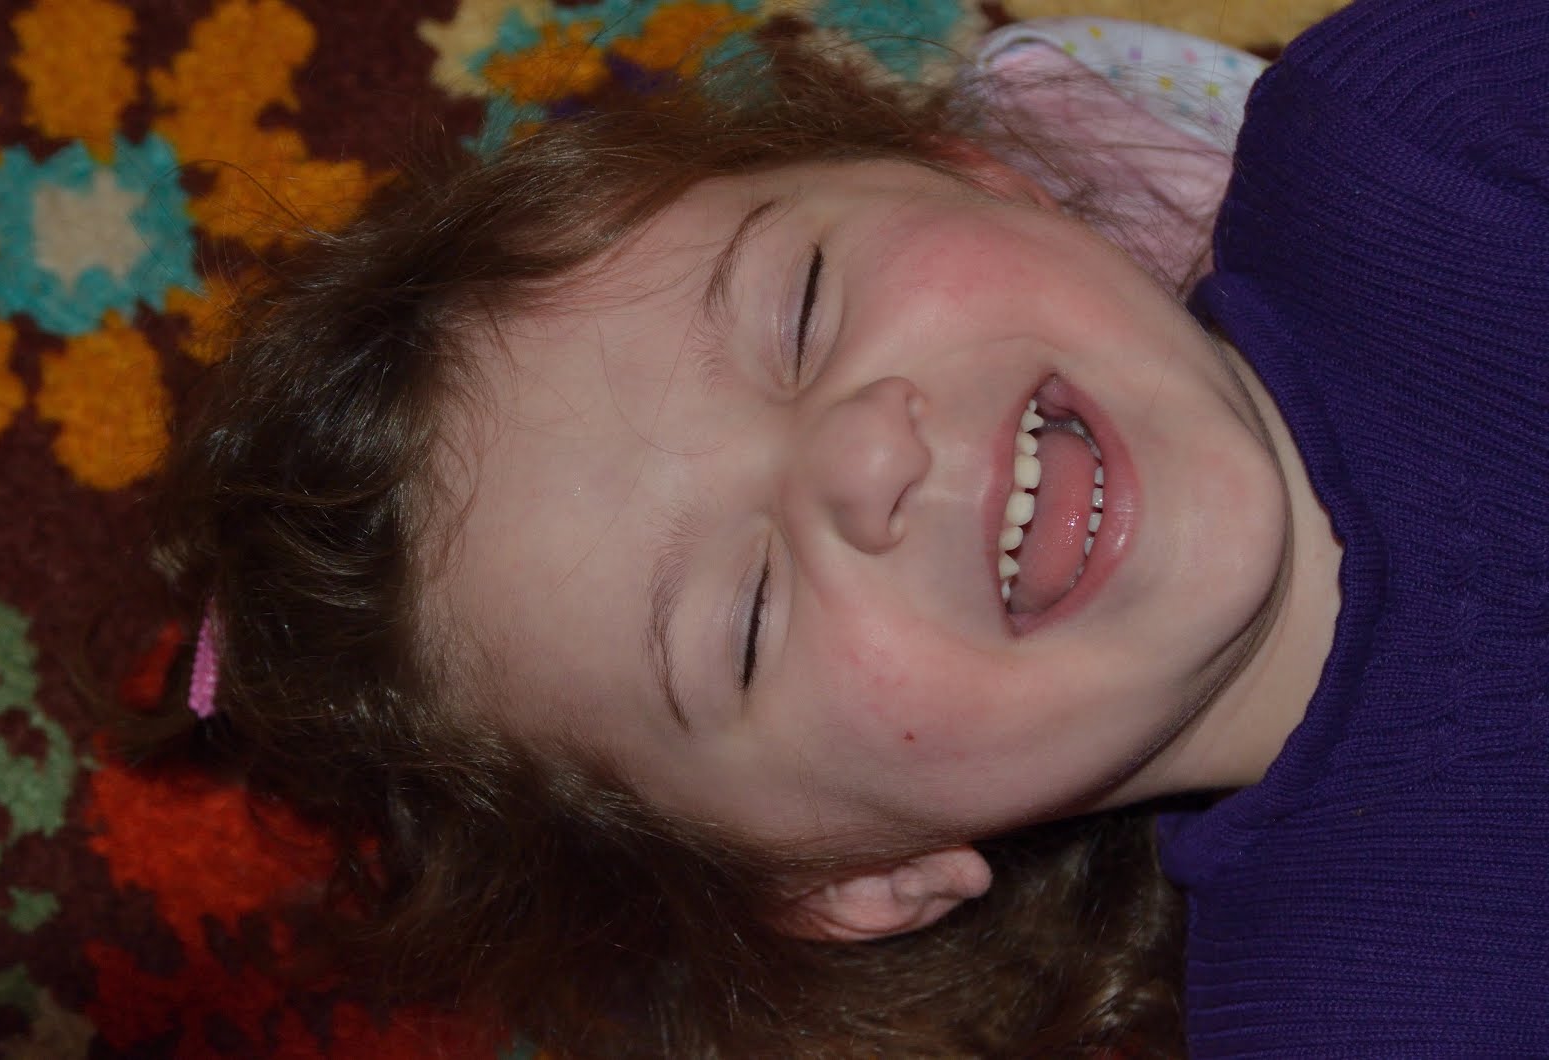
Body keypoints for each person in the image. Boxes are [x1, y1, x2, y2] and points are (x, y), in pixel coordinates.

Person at [142, 0, 1548, 1054]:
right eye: (747, 621)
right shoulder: (1372, 1015)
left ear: (972, 173)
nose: (866, 457)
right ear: (859, 877)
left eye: (802, 307)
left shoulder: (1417, 126)